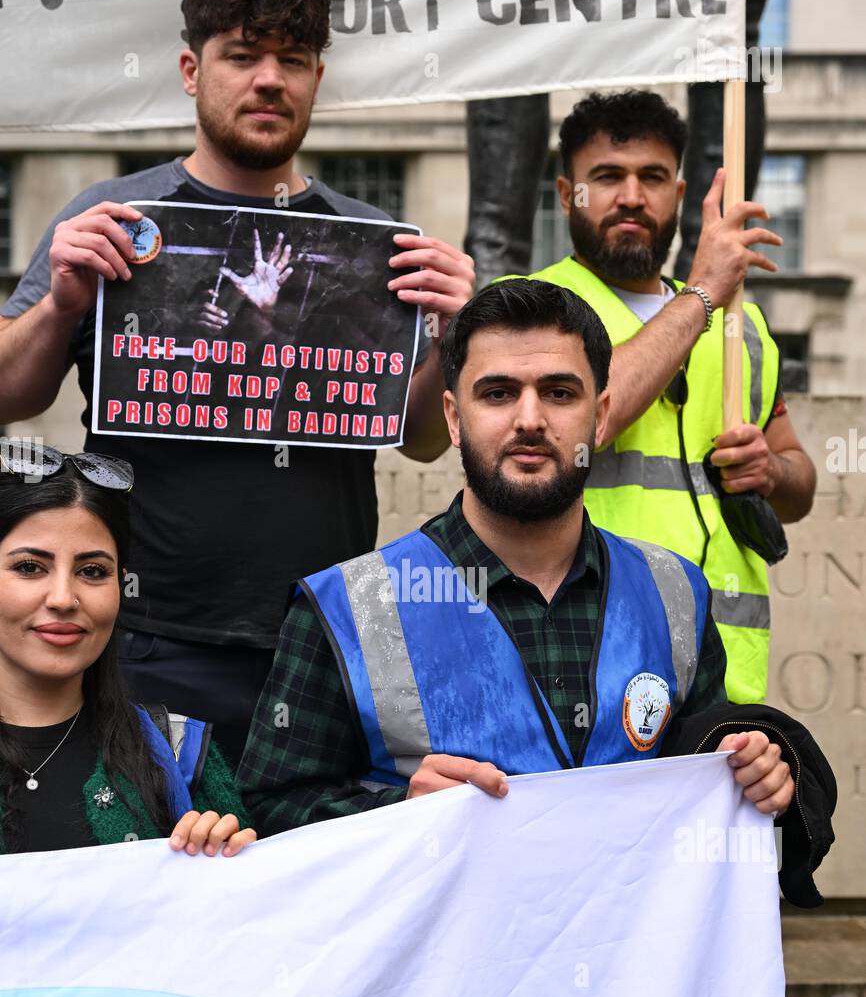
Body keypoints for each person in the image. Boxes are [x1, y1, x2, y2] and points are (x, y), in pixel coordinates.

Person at [0, 0, 474, 765]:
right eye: (242, 55)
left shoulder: (373, 245)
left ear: (317, 80)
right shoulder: (112, 216)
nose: (269, 80)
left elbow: (422, 436)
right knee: (156, 875)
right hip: (142, 639)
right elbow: (10, 395)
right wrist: (63, 302)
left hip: (319, 634)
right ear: (192, 69)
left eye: (293, 60)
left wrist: (449, 339)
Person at [237, 281, 834, 907]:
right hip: (442, 992)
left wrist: (752, 767)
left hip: (632, 986)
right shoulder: (347, 606)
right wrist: (394, 811)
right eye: (497, 394)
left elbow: (703, 761)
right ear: (452, 417)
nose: (529, 419)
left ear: (599, 416)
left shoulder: (675, 592)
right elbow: (265, 812)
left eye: (559, 392)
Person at [513, 90, 816, 704]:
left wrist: (770, 468)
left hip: (724, 680)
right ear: (568, 190)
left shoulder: (745, 330)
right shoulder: (527, 305)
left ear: (679, 195)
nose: (631, 196)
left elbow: (801, 488)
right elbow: (593, 419)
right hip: (585, 660)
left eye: (652, 177)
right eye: (607, 177)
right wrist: (702, 291)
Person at [0, 446, 254, 857]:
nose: (64, 598)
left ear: (121, 585)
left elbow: (250, 914)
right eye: (30, 567)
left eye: (92, 571)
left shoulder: (178, 750)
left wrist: (227, 856)